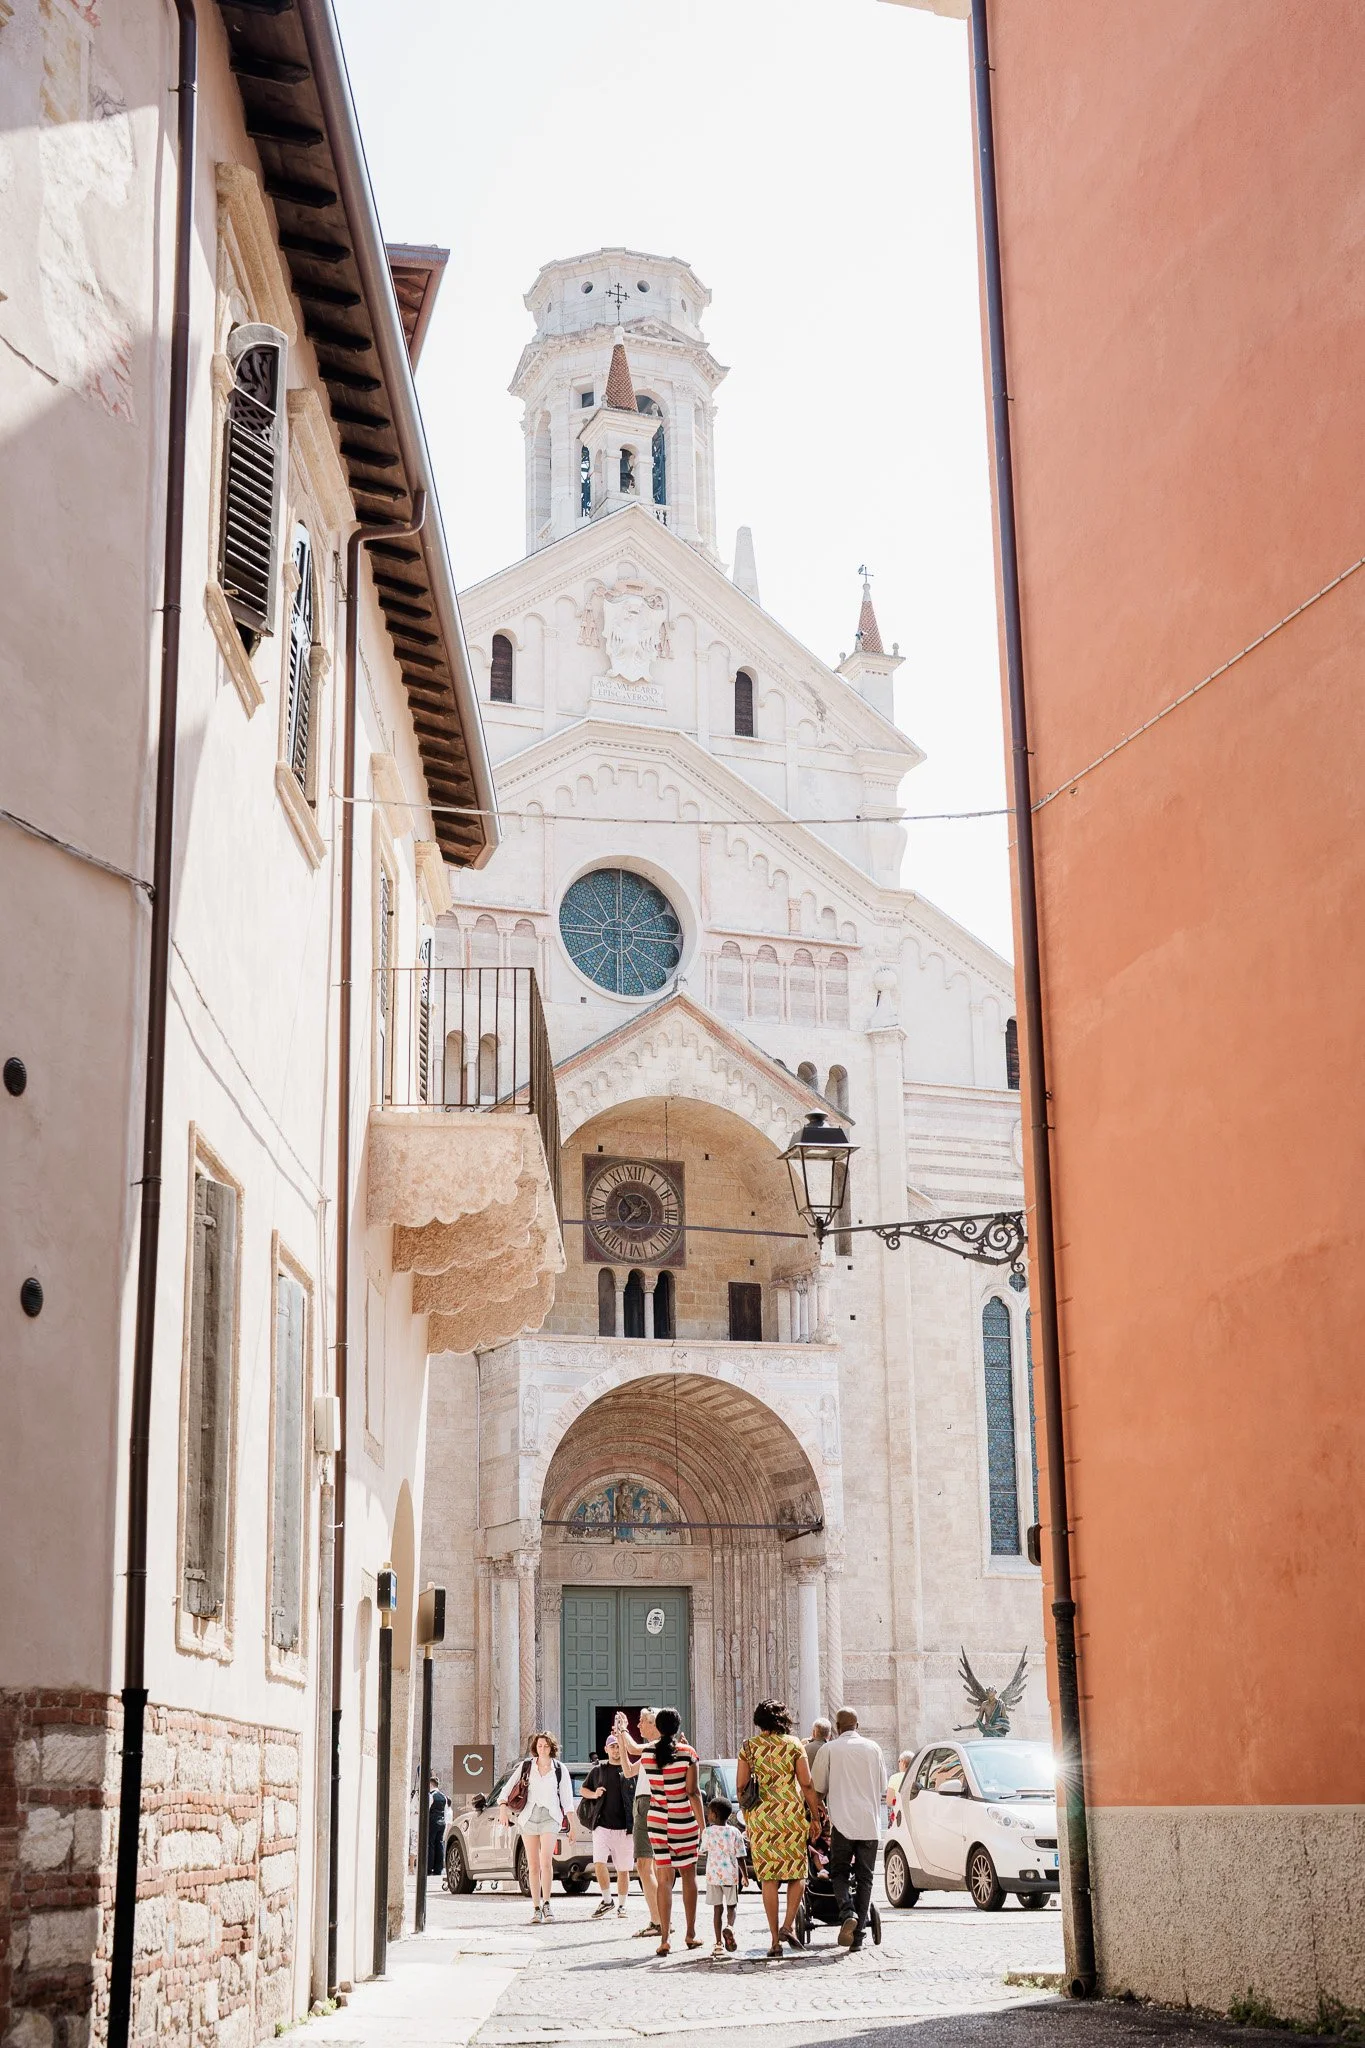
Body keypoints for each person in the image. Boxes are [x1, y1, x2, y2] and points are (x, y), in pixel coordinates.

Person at [736, 1698, 822, 1959]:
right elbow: (806, 1784)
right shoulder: (794, 1745)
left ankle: (774, 1940)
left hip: (761, 1819)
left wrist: (750, 1817)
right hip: (790, 1816)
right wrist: (815, 1816)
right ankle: (788, 1925)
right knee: (797, 1873)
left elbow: (740, 1787)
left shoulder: (749, 1747)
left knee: (769, 1879)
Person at [811, 1707, 887, 1953]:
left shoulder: (829, 1749)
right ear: (858, 1724)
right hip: (869, 1824)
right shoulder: (874, 1748)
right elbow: (882, 1786)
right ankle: (858, 1936)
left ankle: (847, 1912)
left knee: (839, 1872)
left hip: (842, 1824)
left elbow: (818, 1788)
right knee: (865, 1878)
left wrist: (816, 1812)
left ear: (837, 1726)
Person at [641, 1707, 704, 1957]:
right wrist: (703, 1826)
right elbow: (693, 1792)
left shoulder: (647, 1753)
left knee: (664, 1879)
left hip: (657, 1817)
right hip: (682, 1818)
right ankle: (690, 1933)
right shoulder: (688, 1754)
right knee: (688, 1876)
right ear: (678, 1727)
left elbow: (650, 1754)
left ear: (657, 1726)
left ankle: (665, 1938)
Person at [499, 1731, 574, 1924]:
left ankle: (547, 1903)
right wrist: (502, 1809)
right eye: (540, 1746)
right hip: (529, 1818)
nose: (542, 1749)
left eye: (546, 1746)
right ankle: (535, 1908)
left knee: (546, 1862)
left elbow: (567, 1799)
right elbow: (507, 1789)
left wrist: (572, 1825)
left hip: (550, 1817)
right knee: (532, 1865)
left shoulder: (559, 1769)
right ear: (535, 1748)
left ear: (552, 1748)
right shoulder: (526, 1766)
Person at [580, 1733, 635, 1918]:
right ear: (606, 1749)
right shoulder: (598, 1770)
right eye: (612, 1746)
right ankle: (607, 1900)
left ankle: (622, 1905)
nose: (616, 1749)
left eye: (618, 1746)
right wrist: (594, 1794)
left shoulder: (630, 1769)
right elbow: (583, 1790)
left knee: (623, 1869)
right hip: (602, 1825)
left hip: (625, 1827)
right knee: (599, 1863)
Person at [620, 1708, 662, 1938]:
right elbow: (628, 1771)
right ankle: (659, 1919)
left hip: (648, 1805)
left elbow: (635, 1748)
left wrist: (624, 1729)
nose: (638, 1727)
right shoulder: (654, 1750)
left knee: (644, 1867)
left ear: (653, 1724)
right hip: (645, 1803)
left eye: (641, 1722)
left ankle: (658, 1922)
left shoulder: (657, 1746)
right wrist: (619, 1736)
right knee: (652, 1868)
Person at [700, 1797, 745, 1960]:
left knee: (717, 1910)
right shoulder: (735, 1832)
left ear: (714, 1814)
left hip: (713, 1876)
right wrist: (745, 1876)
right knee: (732, 1907)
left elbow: (703, 1850)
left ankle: (718, 1943)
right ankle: (730, 1927)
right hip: (731, 1875)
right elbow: (741, 1856)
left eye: (709, 1812)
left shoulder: (708, 1832)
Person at [426, 1773, 449, 1877]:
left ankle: (429, 1868)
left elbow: (427, 1809)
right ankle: (438, 1869)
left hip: (432, 1821)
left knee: (430, 1844)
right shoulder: (444, 1796)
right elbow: (446, 1811)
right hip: (442, 1822)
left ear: (431, 1785)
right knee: (439, 1844)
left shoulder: (431, 1795)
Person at [886, 1747, 914, 1824]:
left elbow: (889, 1801)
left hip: (899, 1817)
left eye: (899, 1761)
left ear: (903, 1762)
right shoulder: (918, 1776)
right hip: (915, 1816)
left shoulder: (894, 1777)